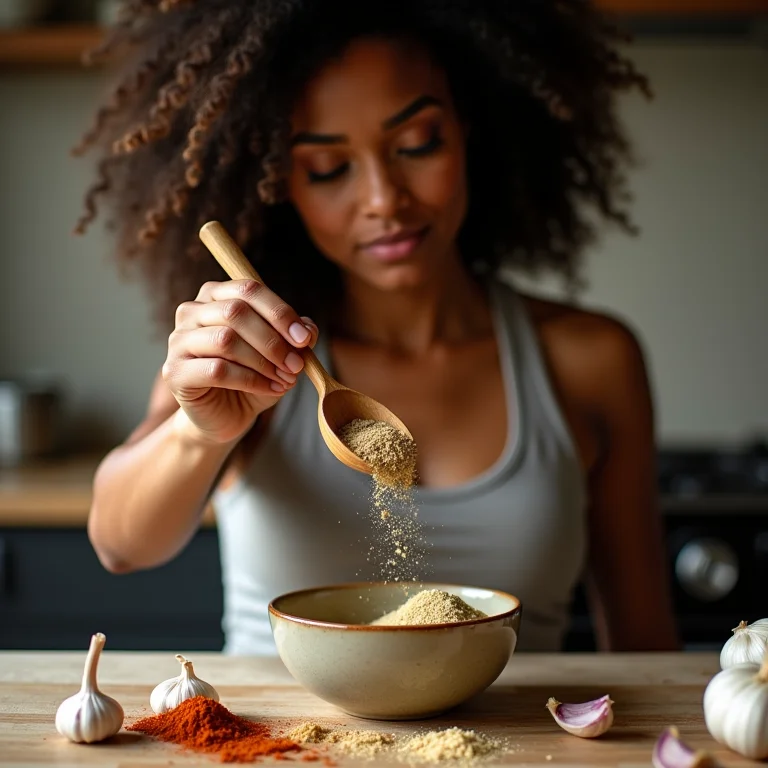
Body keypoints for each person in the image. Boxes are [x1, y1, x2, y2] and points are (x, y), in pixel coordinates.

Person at [77, 0, 680, 655]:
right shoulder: (246, 356)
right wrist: (200, 433)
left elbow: (645, 649)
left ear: (468, 129)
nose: (385, 199)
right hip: (281, 755)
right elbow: (118, 545)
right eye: (329, 168)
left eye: (417, 144)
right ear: (280, 184)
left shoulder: (591, 360)